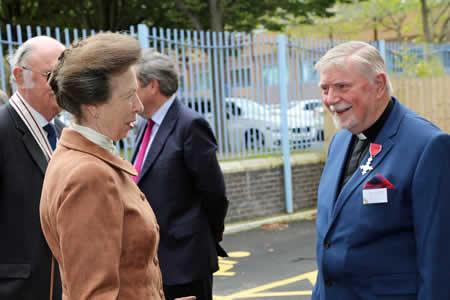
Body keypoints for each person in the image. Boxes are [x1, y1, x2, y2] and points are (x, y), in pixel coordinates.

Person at [312, 40, 450, 299]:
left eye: (342, 86)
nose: (331, 99)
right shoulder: (340, 140)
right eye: (325, 88)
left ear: (378, 85)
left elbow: (439, 260)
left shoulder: (429, 146)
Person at [39, 32, 168, 300]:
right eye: (129, 95)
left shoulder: (76, 157)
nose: (139, 106)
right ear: (93, 105)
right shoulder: (90, 175)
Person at [132, 50, 229, 300]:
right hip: (153, 259)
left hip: (185, 260)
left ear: (152, 86)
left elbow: (214, 192)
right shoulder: (144, 124)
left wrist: (204, 234)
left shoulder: (190, 125)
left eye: (134, 86)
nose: (130, 95)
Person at [0, 36, 64, 300]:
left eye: (67, 75)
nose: (62, 85)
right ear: (19, 76)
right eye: (52, 75)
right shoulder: (3, 129)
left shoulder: (62, 132)